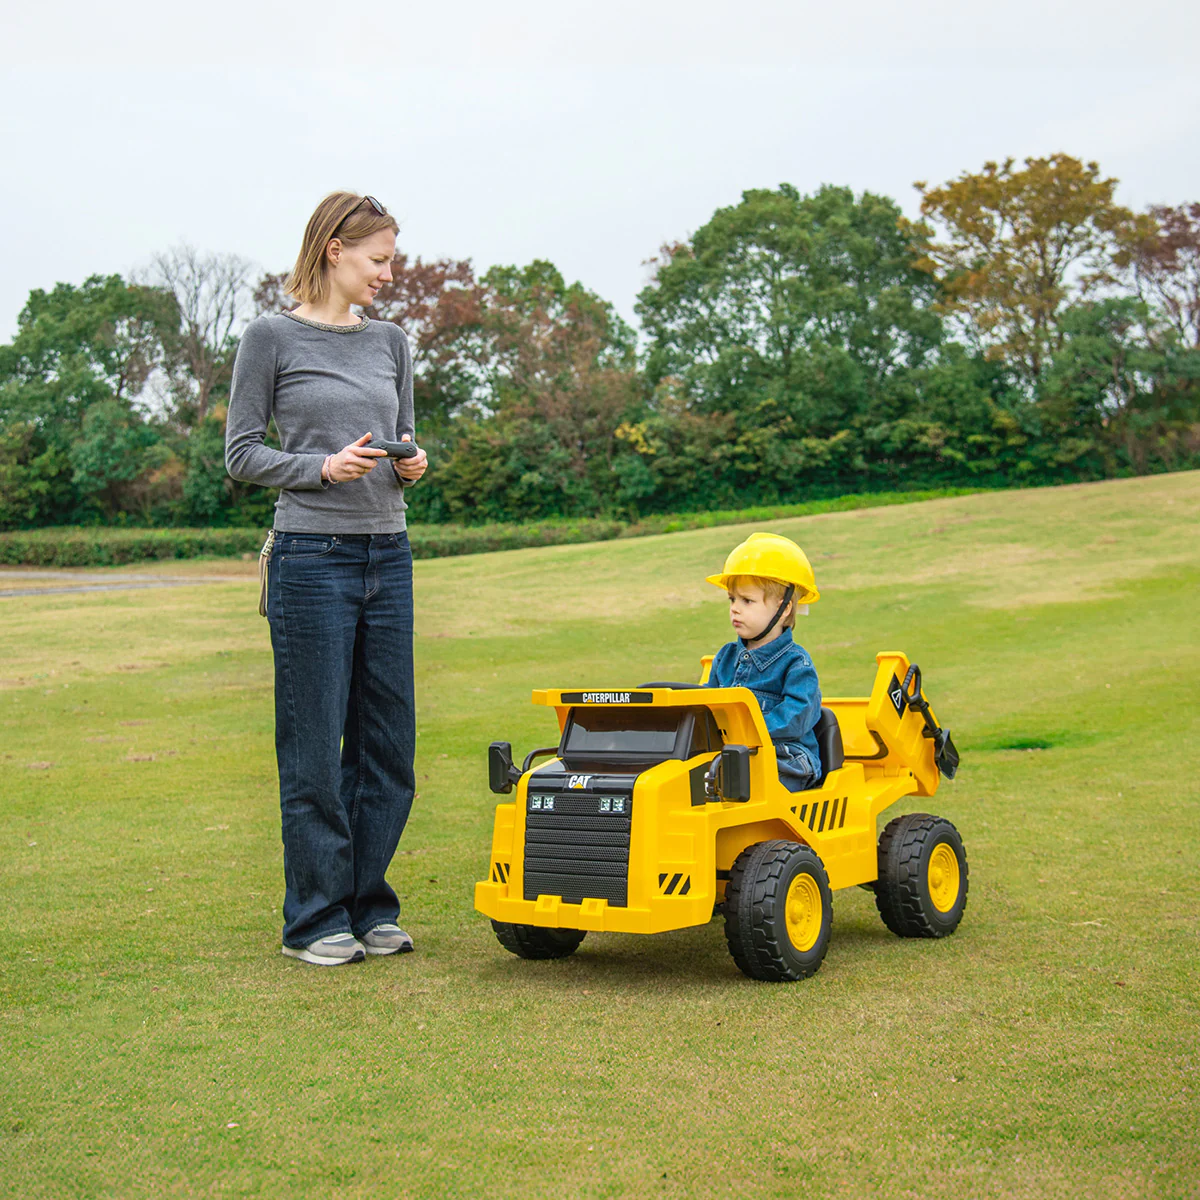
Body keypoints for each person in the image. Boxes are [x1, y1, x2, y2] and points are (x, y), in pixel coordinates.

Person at [225, 192, 428, 966]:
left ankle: (367, 903)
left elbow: (403, 447)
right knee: (313, 746)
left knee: (387, 746)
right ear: (334, 251)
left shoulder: (392, 343)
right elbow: (242, 454)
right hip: (312, 561)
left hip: (389, 553)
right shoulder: (269, 337)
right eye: (378, 259)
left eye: (392, 260)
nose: (387, 273)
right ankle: (314, 917)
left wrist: (412, 463)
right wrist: (320, 467)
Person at [704, 532, 823, 792]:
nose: (735, 608)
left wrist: (749, 733)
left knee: (746, 773)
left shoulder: (796, 663)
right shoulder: (724, 658)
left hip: (787, 754)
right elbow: (705, 704)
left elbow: (797, 717)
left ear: (784, 609)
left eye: (747, 601)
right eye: (732, 599)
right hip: (733, 752)